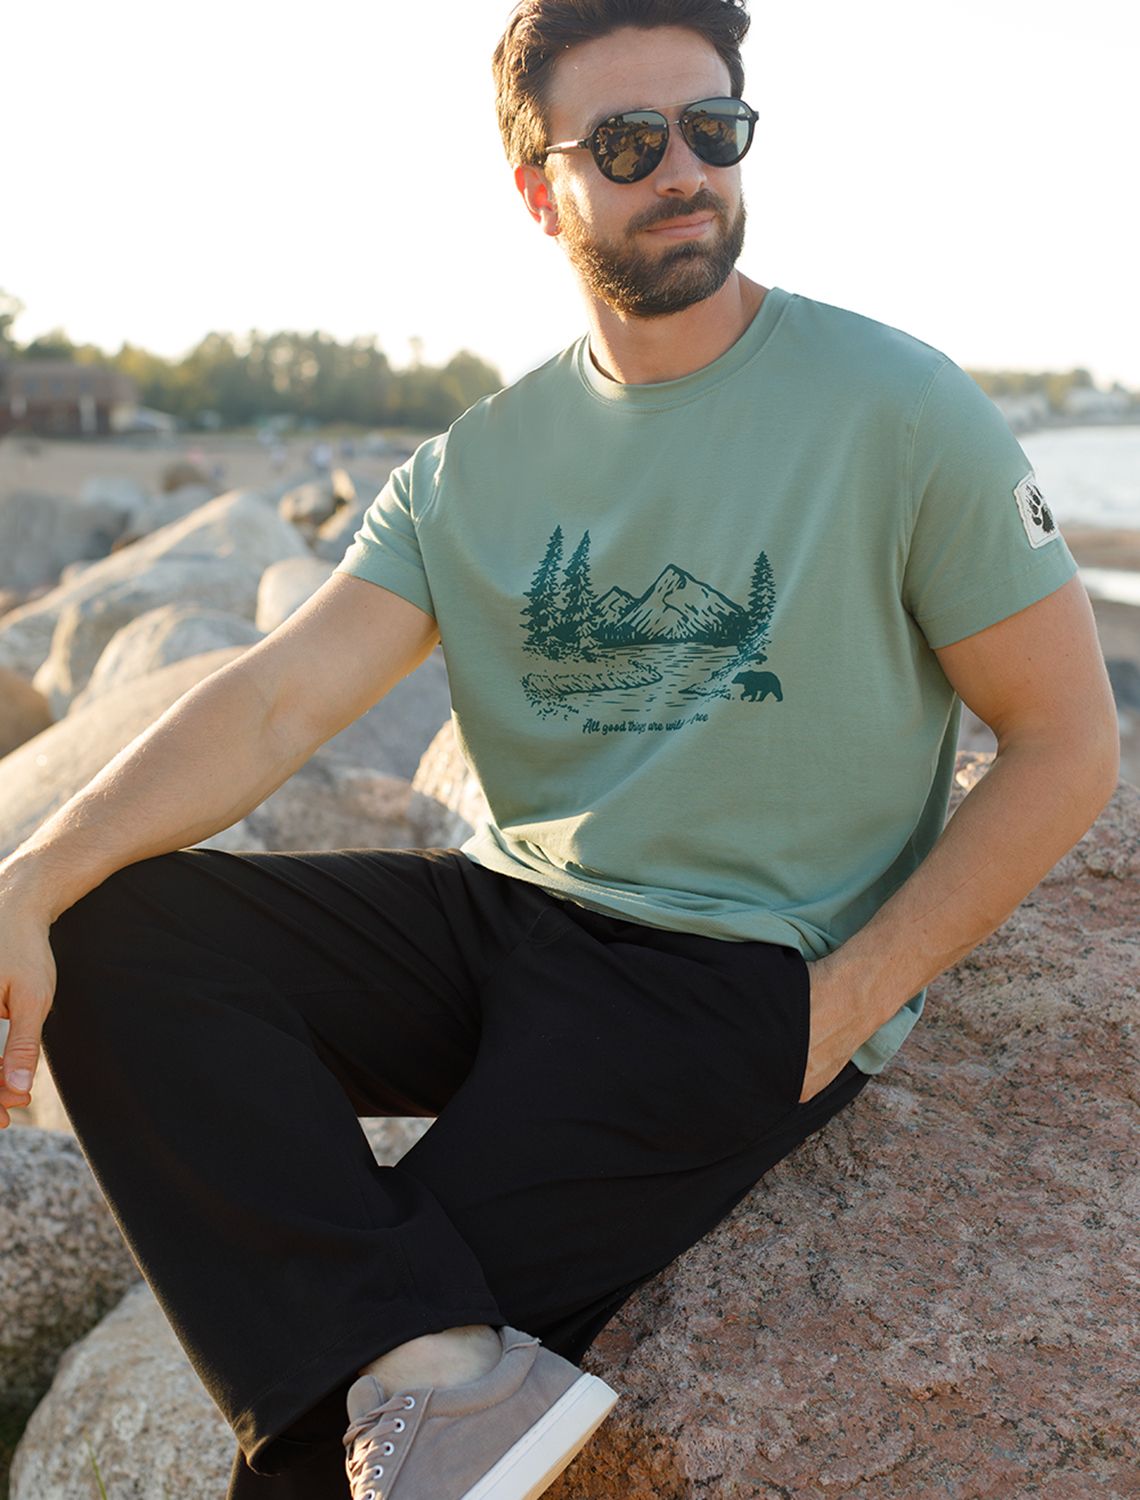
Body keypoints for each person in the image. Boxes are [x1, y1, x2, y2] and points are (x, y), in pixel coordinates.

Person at [0, 2, 1119, 1497]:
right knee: (117, 931)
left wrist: (847, 1005)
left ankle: (402, 1381)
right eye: (631, 142)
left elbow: (1065, 744)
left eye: (714, 129)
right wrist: (32, 873)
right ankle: (428, 1365)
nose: (686, 171)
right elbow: (276, 700)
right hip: (512, 911)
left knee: (329, 1450)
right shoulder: (474, 465)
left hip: (728, 983)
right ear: (541, 189)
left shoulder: (900, 408)